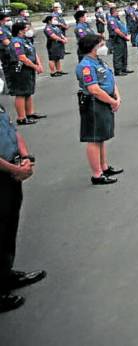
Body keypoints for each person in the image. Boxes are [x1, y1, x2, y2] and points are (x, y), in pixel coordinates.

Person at [0, 81, 45, 313]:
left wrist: (25, 156)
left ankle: (6, 273)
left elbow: (13, 132)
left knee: (9, 225)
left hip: (11, 171)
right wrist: (15, 169)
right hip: (4, 173)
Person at [75, 34, 124, 185]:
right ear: (92, 48)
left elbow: (110, 79)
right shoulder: (86, 66)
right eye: (101, 45)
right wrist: (111, 101)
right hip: (94, 103)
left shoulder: (99, 62)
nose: (104, 47)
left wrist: (117, 96)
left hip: (105, 101)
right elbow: (94, 89)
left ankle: (104, 167)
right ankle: (97, 174)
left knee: (101, 137)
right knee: (94, 139)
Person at [8, 22, 45, 126]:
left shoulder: (26, 40)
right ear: (20, 30)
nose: (29, 30)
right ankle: (21, 117)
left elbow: (34, 52)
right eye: (27, 28)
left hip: (28, 68)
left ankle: (30, 113)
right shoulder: (16, 42)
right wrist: (35, 66)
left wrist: (39, 64)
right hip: (20, 69)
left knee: (28, 91)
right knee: (21, 92)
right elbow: (22, 58)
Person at [106, 4, 133, 76]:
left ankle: (124, 68)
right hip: (117, 39)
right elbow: (116, 30)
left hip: (122, 39)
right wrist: (125, 37)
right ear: (113, 12)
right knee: (118, 54)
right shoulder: (111, 20)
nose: (118, 13)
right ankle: (118, 70)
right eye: (117, 12)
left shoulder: (117, 19)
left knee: (124, 53)